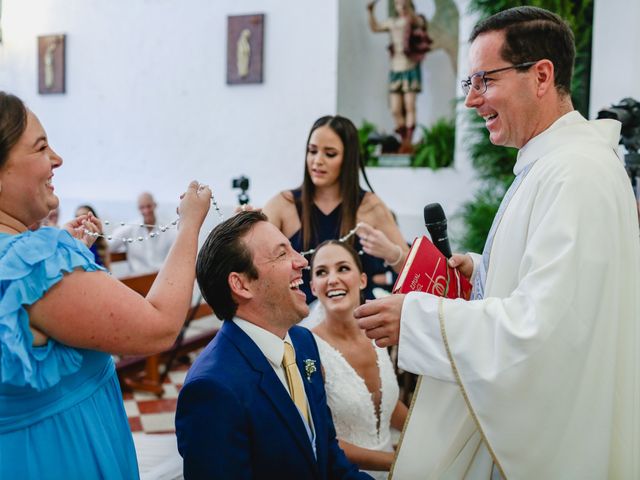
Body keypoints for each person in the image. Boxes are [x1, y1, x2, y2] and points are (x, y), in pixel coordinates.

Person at [354, 6, 640, 479]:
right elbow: (555, 289)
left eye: (484, 80)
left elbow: (545, 330)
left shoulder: (575, 173)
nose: (471, 101)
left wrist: (417, 317)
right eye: (470, 84)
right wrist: (482, 271)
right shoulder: (555, 163)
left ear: (541, 76)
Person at [0, 91, 211, 479]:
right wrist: (190, 226)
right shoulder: (37, 263)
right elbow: (161, 325)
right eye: (41, 147)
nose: (57, 159)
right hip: (57, 459)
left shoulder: (29, 261)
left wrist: (60, 255)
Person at [175, 211, 372, 480]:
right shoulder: (212, 389)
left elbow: (327, 455)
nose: (302, 261)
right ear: (241, 284)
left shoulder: (303, 344)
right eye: (282, 254)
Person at [262, 115, 409, 305]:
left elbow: (413, 272)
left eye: (329, 154)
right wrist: (243, 231)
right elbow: (253, 263)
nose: (317, 161)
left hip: (358, 322)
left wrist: (392, 253)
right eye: (312, 151)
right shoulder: (283, 204)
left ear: (348, 158)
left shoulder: (370, 207)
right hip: (297, 322)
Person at [309, 240, 407, 479]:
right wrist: (398, 462)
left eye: (343, 268)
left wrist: (430, 438)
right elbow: (321, 438)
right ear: (313, 287)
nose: (332, 279)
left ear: (362, 280)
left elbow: (386, 407)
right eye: (322, 272)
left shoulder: (376, 332)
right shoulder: (309, 350)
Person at [367, 0, 430, 152]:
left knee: (409, 105)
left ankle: (408, 141)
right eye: (397, 3)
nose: (400, 5)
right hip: (396, 68)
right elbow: (375, 28)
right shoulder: (393, 22)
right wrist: (370, 11)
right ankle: (403, 140)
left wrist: (408, 10)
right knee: (395, 108)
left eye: (403, 3)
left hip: (410, 67)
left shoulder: (415, 19)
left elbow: (418, 22)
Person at [109, 191, 177, 275]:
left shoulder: (168, 230)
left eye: (149, 206)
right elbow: (109, 245)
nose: (146, 211)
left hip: (162, 278)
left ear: (155, 205)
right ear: (138, 209)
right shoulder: (130, 229)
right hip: (137, 280)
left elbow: (178, 253)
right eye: (142, 207)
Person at [75, 204, 110, 269]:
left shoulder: (101, 243)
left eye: (84, 216)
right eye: (77, 217)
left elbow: (109, 270)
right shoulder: (74, 244)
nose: (81, 220)